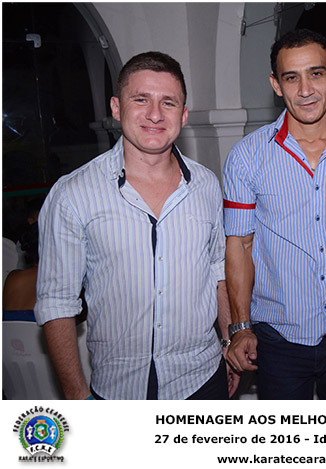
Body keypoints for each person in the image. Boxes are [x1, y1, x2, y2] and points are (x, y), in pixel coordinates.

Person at [35, 51, 238, 400]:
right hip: (118, 391)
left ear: (184, 115)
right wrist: (77, 397)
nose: (155, 114)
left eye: (168, 102)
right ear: (116, 108)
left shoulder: (206, 185)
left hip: (203, 380)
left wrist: (228, 342)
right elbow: (56, 302)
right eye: (141, 99)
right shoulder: (72, 194)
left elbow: (217, 268)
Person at [223, 29, 326, 400]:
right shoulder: (247, 157)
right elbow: (239, 245)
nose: (305, 90)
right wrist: (240, 327)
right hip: (278, 337)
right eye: (291, 77)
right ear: (276, 85)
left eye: (315, 74)